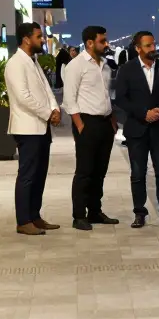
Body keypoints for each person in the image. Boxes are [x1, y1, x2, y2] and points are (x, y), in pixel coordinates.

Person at [112, 31, 159, 229]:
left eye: (153, 45)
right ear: (138, 48)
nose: (153, 49)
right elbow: (122, 99)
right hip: (137, 130)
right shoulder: (127, 70)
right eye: (148, 46)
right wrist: (144, 113)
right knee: (137, 173)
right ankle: (139, 213)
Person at [5, 22, 63, 236]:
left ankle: (35, 216)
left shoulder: (33, 61)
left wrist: (55, 108)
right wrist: (48, 113)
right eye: (39, 36)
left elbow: (47, 90)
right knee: (27, 175)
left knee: (40, 174)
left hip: (41, 127)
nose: (41, 40)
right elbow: (23, 97)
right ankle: (23, 221)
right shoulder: (15, 63)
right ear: (26, 39)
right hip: (27, 128)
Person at [61, 25, 120, 231]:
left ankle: (95, 211)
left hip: (105, 123)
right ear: (89, 43)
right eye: (102, 41)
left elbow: (106, 95)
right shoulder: (76, 66)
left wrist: (112, 121)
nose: (106, 44)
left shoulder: (104, 65)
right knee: (84, 171)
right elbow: (69, 100)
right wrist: (80, 125)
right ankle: (79, 216)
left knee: (100, 171)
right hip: (87, 123)